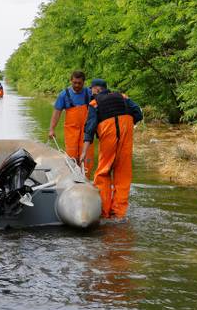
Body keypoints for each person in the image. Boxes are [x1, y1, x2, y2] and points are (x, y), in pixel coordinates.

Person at [81, 78, 143, 221]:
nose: (91, 92)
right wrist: (125, 123)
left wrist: (84, 151)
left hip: (108, 133)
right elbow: (138, 114)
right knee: (123, 174)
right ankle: (119, 214)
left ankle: (104, 212)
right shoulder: (123, 97)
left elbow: (89, 129)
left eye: (92, 90)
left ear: (96, 89)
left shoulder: (94, 104)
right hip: (126, 132)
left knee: (103, 172)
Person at [48, 70, 94, 175]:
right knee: (71, 156)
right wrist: (51, 129)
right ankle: (73, 176)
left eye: (79, 83)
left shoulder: (89, 93)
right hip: (71, 131)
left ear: (84, 82)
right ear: (71, 81)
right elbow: (57, 113)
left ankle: (86, 177)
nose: (77, 85)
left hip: (86, 130)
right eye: (74, 82)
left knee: (87, 156)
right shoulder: (63, 95)